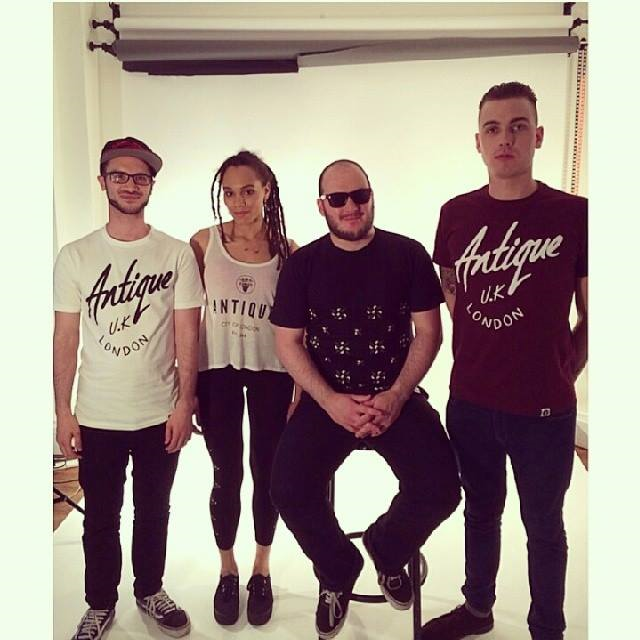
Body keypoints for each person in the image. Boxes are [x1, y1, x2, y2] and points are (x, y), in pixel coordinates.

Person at [421, 82, 588, 640]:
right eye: (493, 129)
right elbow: (451, 288)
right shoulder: (455, 214)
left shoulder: (574, 215)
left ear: (537, 136)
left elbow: (595, 314)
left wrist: (564, 369)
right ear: (478, 142)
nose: (505, 139)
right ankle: (478, 609)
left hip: (544, 410)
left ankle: (547, 628)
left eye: (518, 126)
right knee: (480, 511)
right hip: (470, 402)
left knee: (544, 526)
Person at [269, 159, 461, 639]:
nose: (351, 206)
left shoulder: (408, 254)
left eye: (360, 195)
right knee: (288, 488)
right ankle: (338, 569)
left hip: (395, 396)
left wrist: (396, 396)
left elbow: (429, 333)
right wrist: (330, 400)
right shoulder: (302, 265)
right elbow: (288, 342)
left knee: (441, 488)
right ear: (322, 207)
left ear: (372, 196)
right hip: (327, 400)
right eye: (338, 199)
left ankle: (387, 549)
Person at [54, 136, 204, 640]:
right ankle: (100, 603)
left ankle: (150, 590)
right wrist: (63, 411)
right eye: (119, 175)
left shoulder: (176, 254)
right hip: (98, 412)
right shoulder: (76, 256)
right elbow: (66, 337)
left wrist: (185, 403)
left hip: (159, 411)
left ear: (151, 186)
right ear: (103, 182)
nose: (130, 184)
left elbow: (187, 335)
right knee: (100, 516)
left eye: (140, 177)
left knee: (154, 511)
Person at [190, 150, 296, 627]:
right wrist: (186, 385)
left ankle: (261, 568)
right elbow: (184, 317)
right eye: (229, 192)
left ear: (266, 191)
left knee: (266, 470)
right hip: (217, 371)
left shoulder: (289, 251)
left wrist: (301, 388)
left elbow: (299, 326)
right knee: (225, 471)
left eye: (248, 191)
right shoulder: (203, 243)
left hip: (272, 371)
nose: (238, 201)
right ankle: (227, 569)